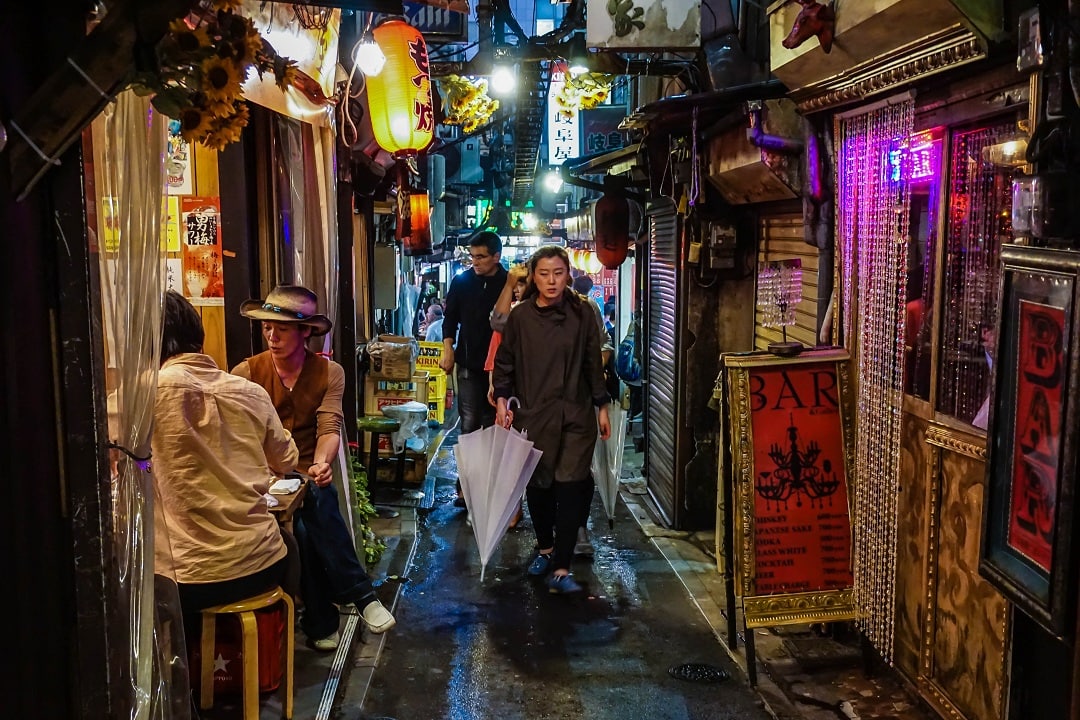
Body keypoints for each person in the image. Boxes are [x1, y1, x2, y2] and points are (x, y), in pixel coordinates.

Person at [233, 285, 395, 650]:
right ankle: (359, 597)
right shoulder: (246, 372)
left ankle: (323, 623)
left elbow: (329, 426)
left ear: (306, 332)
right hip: (264, 476)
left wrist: (322, 463)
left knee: (314, 506)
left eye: (283, 329)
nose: (272, 337)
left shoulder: (328, 372)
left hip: (308, 470)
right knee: (310, 521)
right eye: (267, 328)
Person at [152, 291, 300, 648]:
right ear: (198, 335)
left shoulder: (139, 397)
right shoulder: (249, 390)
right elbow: (287, 460)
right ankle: (272, 658)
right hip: (260, 566)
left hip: (187, 582)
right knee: (291, 547)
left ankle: (183, 692)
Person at [493, 246, 611, 594]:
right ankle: (545, 548)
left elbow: (593, 361)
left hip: (575, 412)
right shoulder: (521, 317)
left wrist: (601, 405)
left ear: (568, 274)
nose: (551, 281)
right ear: (533, 277)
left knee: (571, 482)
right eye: (544, 274)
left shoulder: (583, 313)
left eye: (558, 273)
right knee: (539, 484)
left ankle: (562, 565)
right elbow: (506, 361)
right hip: (534, 412)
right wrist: (502, 399)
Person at [441, 231, 508, 506]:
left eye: (481, 257)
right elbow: (450, 319)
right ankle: (466, 486)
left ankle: (493, 486)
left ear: (496, 257)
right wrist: (448, 349)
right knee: (469, 425)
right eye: (472, 256)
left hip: (500, 367)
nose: (475, 262)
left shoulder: (508, 283)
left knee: (494, 425)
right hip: (467, 363)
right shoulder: (462, 281)